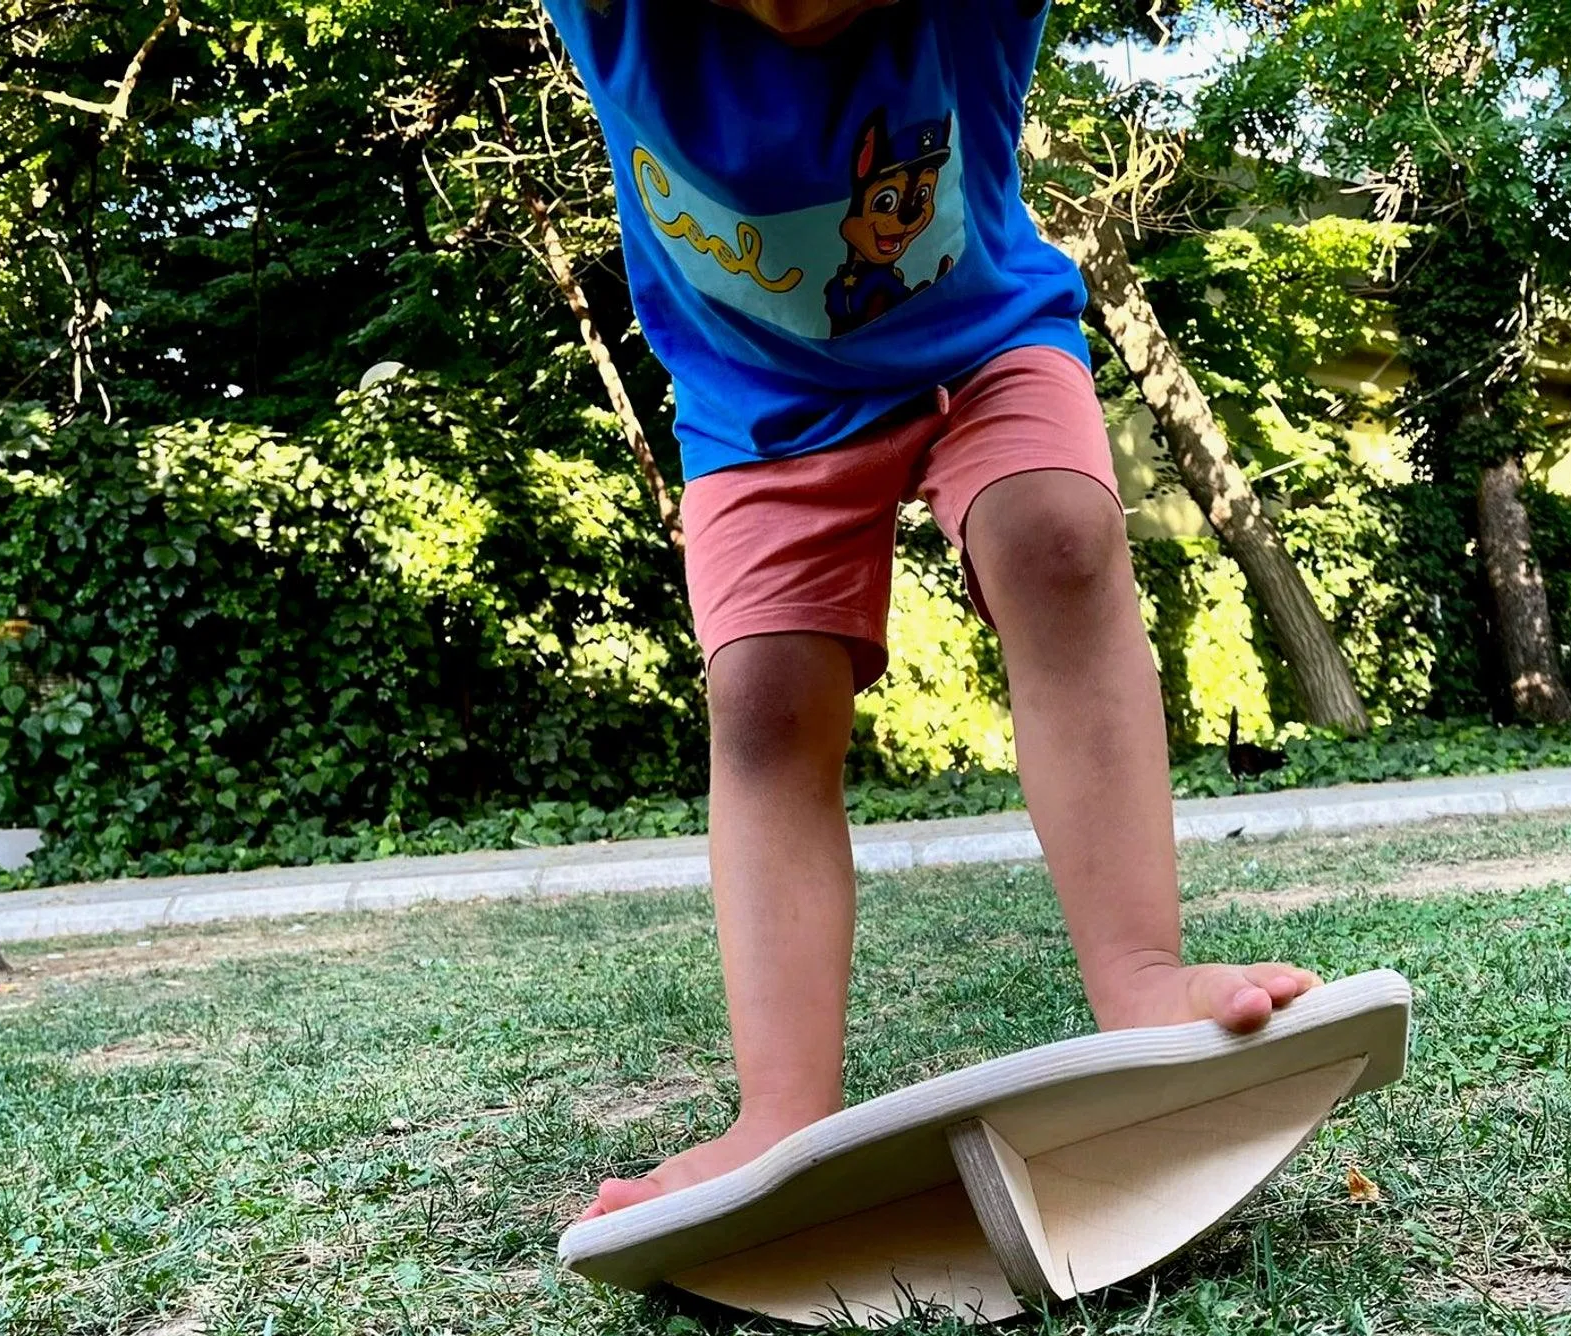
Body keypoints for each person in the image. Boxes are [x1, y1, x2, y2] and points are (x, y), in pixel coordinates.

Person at [551, 0, 1317, 1220]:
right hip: (755, 406)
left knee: (1057, 533)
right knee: (760, 697)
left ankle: (1139, 975)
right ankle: (781, 1106)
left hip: (981, 341)